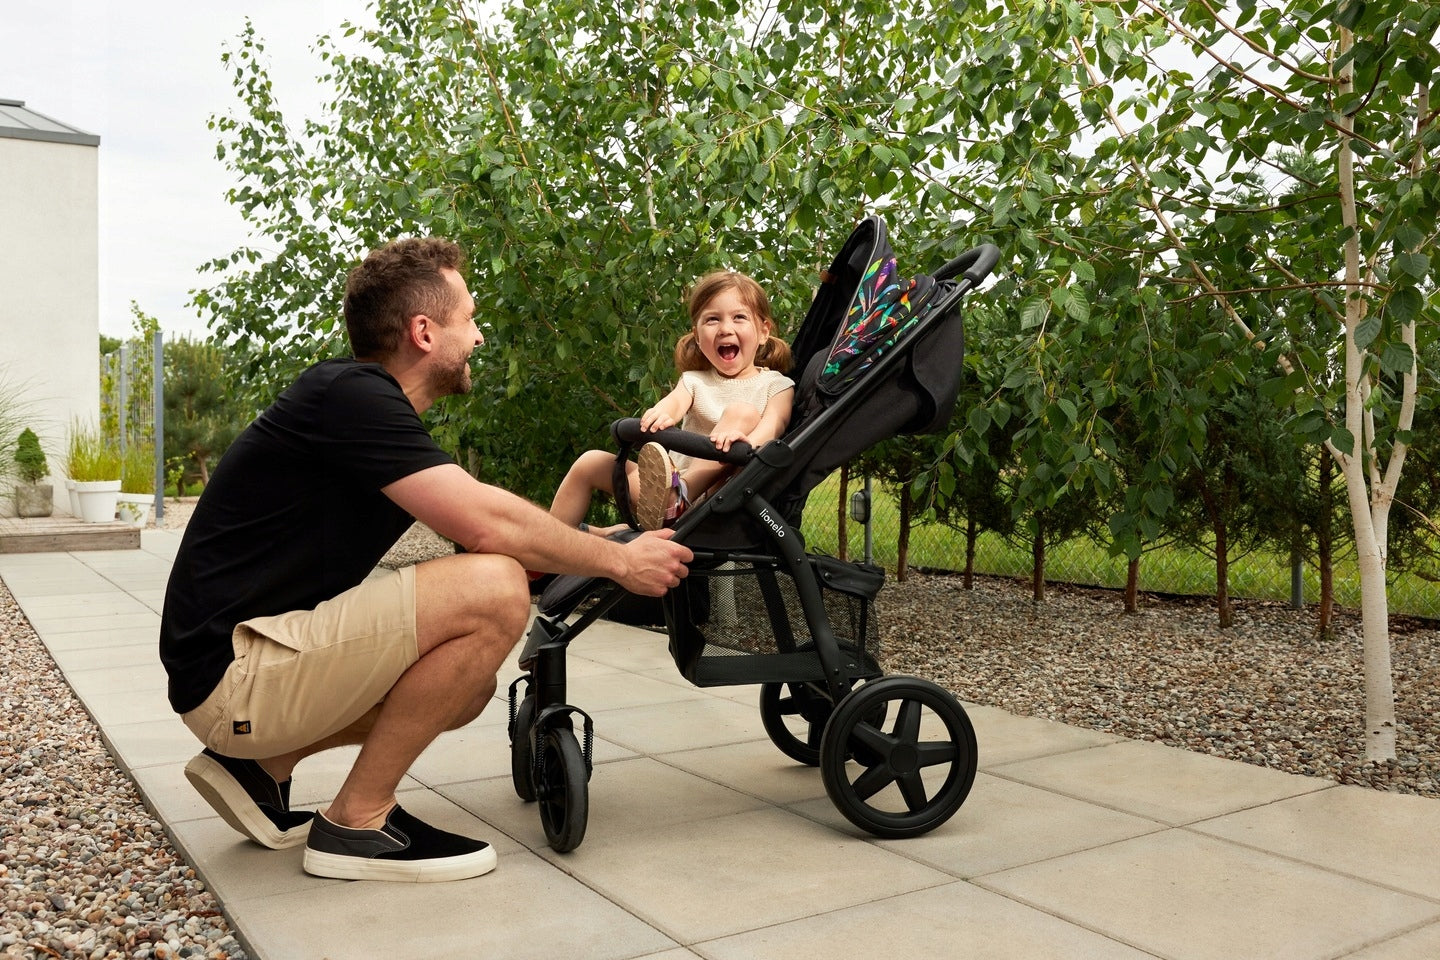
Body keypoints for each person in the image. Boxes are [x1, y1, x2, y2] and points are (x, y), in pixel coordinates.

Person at [159, 237, 692, 883]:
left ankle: (259, 767)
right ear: (423, 331)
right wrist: (621, 564)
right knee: (495, 591)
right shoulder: (352, 395)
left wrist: (600, 542)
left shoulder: (360, 407)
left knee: (465, 687)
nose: (479, 337)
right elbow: (487, 526)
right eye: (469, 319)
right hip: (235, 673)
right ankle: (358, 823)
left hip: (242, 664)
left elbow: (486, 537)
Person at [549, 270, 795, 532]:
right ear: (697, 336)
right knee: (590, 462)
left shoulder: (776, 384)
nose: (725, 329)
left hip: (720, 499)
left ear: (763, 331)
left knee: (742, 412)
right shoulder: (694, 381)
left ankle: (679, 497)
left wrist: (749, 445)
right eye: (712, 319)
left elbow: (775, 423)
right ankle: (547, 546)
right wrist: (660, 414)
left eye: (739, 317)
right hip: (664, 494)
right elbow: (674, 404)